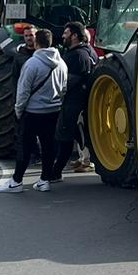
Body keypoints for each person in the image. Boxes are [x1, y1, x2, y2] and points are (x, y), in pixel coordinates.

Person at [0, 27, 67, 192]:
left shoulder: (32, 63)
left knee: (25, 147)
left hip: (32, 112)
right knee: (49, 147)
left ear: (36, 43)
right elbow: (64, 89)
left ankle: (16, 181)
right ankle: (44, 180)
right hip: (53, 111)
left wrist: (18, 110)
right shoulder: (62, 64)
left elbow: (23, 91)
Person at [48, 20, 97, 180]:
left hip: (73, 103)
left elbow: (68, 82)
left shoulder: (77, 56)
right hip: (79, 103)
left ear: (75, 36)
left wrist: (54, 92)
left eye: (66, 33)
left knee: (64, 138)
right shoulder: (88, 51)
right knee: (75, 136)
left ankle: (55, 172)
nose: (63, 36)